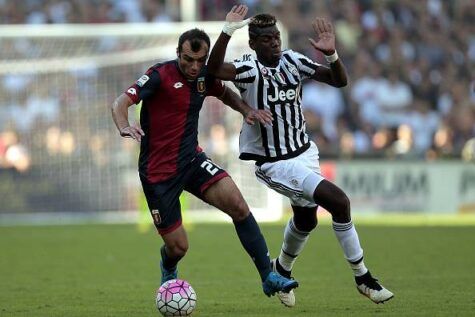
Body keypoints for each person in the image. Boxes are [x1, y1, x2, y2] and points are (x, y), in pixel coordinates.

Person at [207, 5, 394, 307]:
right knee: (339, 202)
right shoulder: (249, 69)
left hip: (305, 153)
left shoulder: (294, 61)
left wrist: (332, 55)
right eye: (267, 39)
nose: (275, 42)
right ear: (253, 44)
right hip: (275, 163)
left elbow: (339, 80)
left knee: (306, 220)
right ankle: (363, 278)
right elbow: (214, 69)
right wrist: (228, 31)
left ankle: (281, 270)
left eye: (276, 36)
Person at [110, 28, 298, 297]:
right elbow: (120, 103)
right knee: (179, 247)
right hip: (158, 174)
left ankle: (268, 276)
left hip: (192, 161)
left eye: (201, 60)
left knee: (239, 206)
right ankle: (168, 263)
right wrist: (124, 126)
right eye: (188, 59)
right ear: (178, 53)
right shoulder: (159, 75)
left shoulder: (204, 76)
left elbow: (226, 94)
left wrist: (246, 110)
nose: (194, 66)